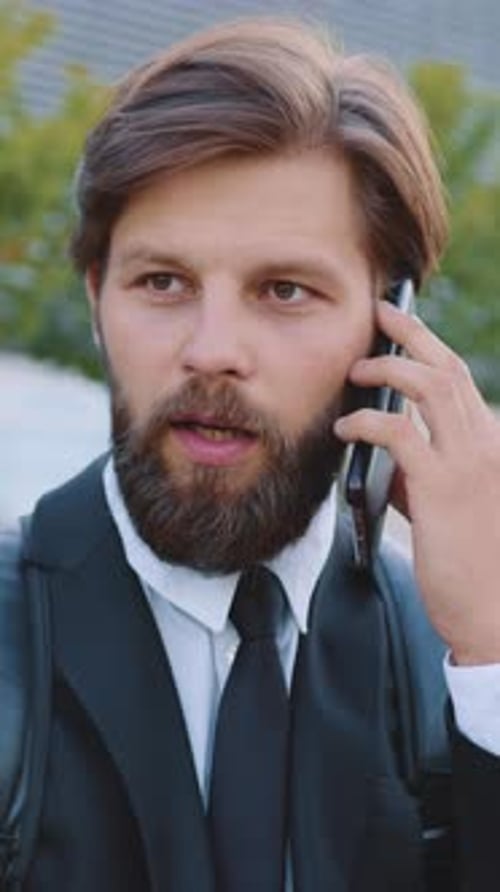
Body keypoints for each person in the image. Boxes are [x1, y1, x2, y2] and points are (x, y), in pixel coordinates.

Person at [16, 16, 500, 892]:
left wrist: (492, 649)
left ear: (392, 324)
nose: (212, 349)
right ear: (97, 300)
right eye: (163, 282)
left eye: (285, 290)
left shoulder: (455, 654)